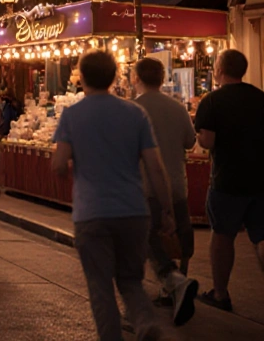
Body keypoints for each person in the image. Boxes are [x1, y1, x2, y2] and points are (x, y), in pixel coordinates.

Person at [51, 50, 174, 341]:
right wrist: (167, 209)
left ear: (81, 77)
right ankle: (144, 321)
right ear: (115, 77)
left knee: (100, 288)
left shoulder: (72, 115)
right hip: (133, 211)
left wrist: (70, 167)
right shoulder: (135, 113)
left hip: (92, 213)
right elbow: (155, 167)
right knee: (131, 280)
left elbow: (58, 164)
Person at [193, 49, 264, 313]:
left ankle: (220, 293)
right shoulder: (260, 98)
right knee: (262, 235)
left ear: (219, 70)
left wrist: (199, 137)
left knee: (223, 236)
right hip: (260, 179)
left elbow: (207, 141)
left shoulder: (212, 101)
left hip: (227, 181)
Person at [132, 57, 199, 325]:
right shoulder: (177, 108)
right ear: (162, 79)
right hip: (177, 183)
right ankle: (176, 283)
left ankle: (173, 282)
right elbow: (191, 141)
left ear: (136, 78)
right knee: (181, 237)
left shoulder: (133, 109)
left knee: (150, 238)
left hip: (146, 186)